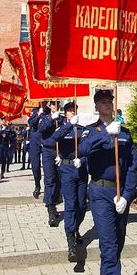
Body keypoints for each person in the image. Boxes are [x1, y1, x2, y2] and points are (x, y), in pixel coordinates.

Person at [78, 89, 137, 275]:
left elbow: (133, 166)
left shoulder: (125, 133)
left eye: (110, 101)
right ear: (96, 106)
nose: (107, 104)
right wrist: (106, 134)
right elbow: (81, 150)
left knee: (119, 243)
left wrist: (127, 195)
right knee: (110, 249)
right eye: (103, 102)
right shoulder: (90, 131)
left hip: (119, 194)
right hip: (100, 193)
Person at [52, 101, 87, 262]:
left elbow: (88, 148)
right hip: (67, 169)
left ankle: (76, 227)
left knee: (82, 205)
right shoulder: (62, 128)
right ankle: (71, 241)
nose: (73, 113)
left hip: (81, 169)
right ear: (65, 114)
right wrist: (69, 125)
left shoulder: (82, 130)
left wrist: (83, 160)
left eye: (75, 111)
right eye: (70, 111)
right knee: (71, 205)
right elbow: (55, 138)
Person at [39, 101, 62, 227]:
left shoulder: (62, 119)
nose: (55, 106)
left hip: (60, 151)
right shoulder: (45, 118)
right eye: (53, 104)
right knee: (50, 179)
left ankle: (55, 202)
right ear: (50, 106)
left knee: (59, 180)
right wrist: (52, 119)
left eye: (57, 104)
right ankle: (50, 209)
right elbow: (41, 129)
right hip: (48, 151)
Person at [28, 106, 44, 198]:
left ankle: (52, 187)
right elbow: (31, 123)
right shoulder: (35, 111)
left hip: (45, 141)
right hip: (35, 143)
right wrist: (38, 115)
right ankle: (37, 185)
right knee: (35, 166)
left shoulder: (48, 111)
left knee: (49, 167)